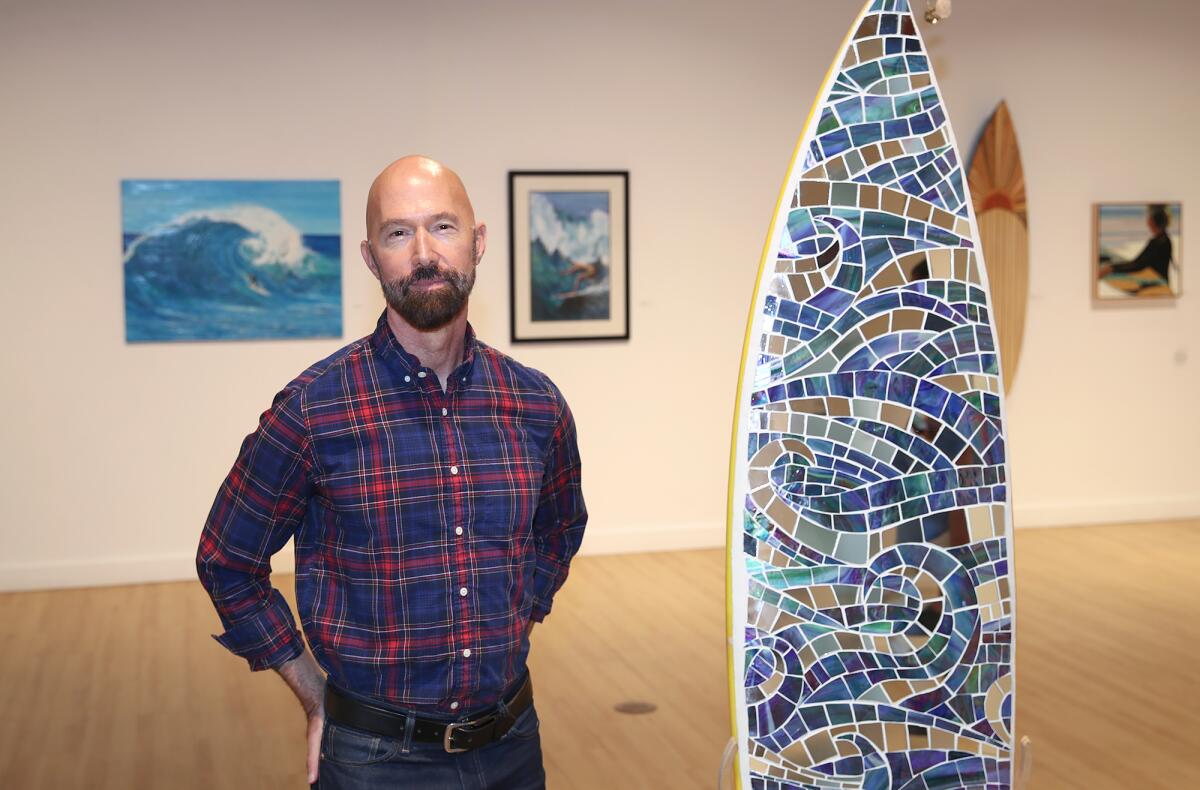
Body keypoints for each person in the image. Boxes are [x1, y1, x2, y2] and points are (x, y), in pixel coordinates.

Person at [197, 155, 587, 789]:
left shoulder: (535, 403)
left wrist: (520, 610)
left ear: (479, 241)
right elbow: (227, 560)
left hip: (514, 745)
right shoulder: (315, 409)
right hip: (375, 763)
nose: (424, 252)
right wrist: (312, 692)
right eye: (398, 233)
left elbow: (561, 526)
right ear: (369, 256)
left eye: (443, 226)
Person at [1097, 204, 1174, 284]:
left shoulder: (1158, 242)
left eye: (1148, 218)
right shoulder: (1165, 239)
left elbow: (1138, 265)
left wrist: (1112, 268)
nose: (1147, 220)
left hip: (1157, 284)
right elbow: (1139, 263)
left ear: (1151, 221)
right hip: (1161, 281)